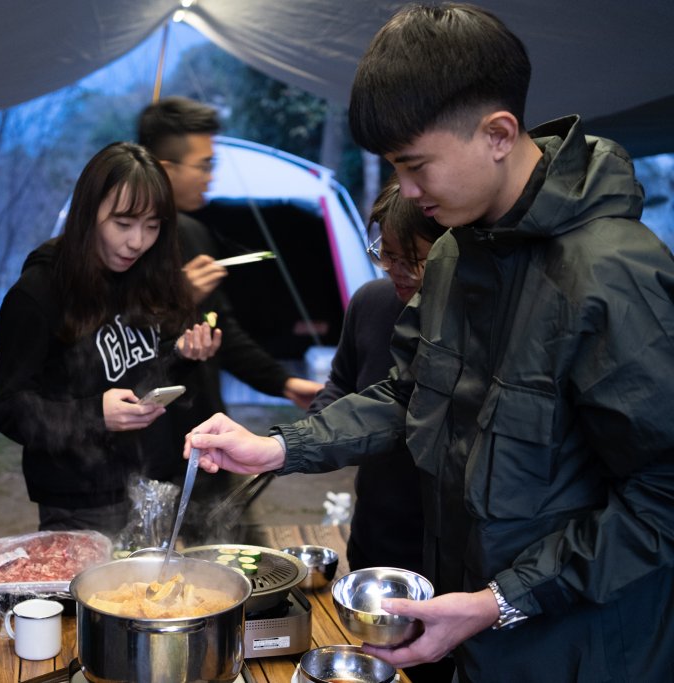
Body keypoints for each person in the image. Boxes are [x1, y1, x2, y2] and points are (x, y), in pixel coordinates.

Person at [183, 4, 674, 682]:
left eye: (416, 166)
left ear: (499, 133)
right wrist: (276, 447)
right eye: (393, 167)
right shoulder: (454, 257)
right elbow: (408, 391)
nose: (406, 192)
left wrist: (503, 600)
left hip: (584, 652)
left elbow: (662, 495)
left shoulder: (611, 276)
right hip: (470, 639)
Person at [0, 142, 221, 536]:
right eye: (123, 223)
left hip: (154, 485)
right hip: (81, 502)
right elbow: (9, 409)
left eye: (153, 226)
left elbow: (142, 367)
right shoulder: (39, 292)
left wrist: (181, 353)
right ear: (88, 212)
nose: (137, 242)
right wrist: (95, 414)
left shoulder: (147, 276)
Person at [138, 97, 323, 541]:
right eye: (203, 165)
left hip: (205, 438)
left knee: (234, 563)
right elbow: (111, 343)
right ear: (165, 168)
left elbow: (222, 331)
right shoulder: (125, 246)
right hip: (144, 447)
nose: (210, 175)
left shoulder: (194, 232)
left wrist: (284, 383)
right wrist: (173, 299)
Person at [309, 177, 451, 683]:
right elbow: (343, 387)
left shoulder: (466, 321)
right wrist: (297, 437)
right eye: (383, 253)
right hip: (376, 533)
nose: (394, 270)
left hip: (445, 555)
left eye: (411, 258)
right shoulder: (371, 302)